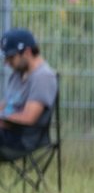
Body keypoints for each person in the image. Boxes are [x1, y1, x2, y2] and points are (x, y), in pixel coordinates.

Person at [0, 27, 58, 160]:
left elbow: (29, 118)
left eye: (11, 57)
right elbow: (7, 104)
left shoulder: (43, 77)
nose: (7, 63)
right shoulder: (18, 74)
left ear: (26, 52)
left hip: (21, 140)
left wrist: (2, 119)